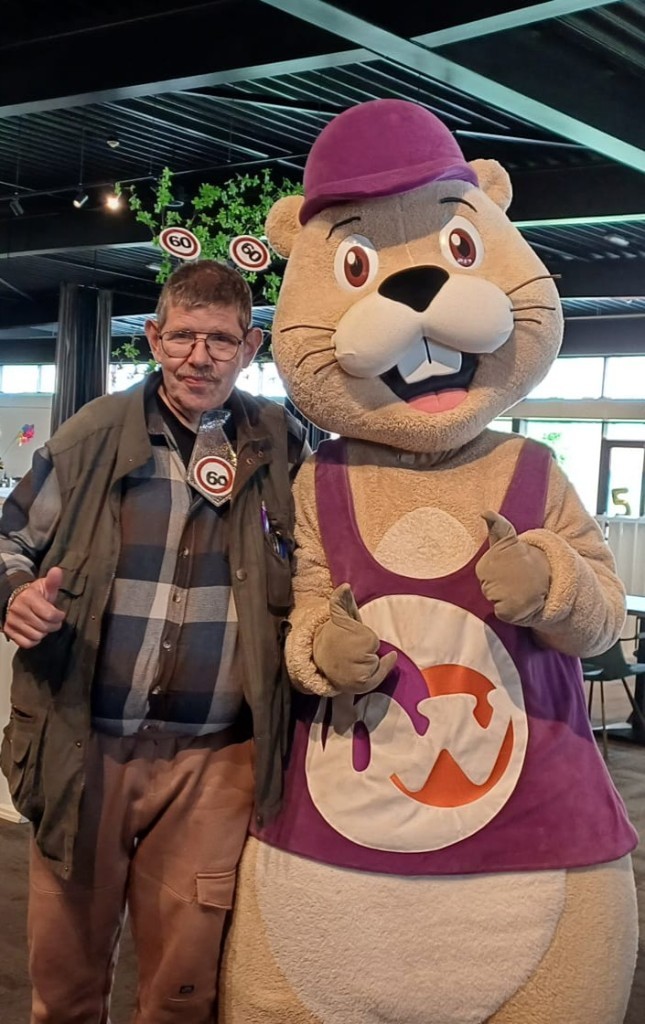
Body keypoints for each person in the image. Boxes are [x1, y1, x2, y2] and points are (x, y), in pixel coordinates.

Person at [0, 259, 308, 1024]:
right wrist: (15, 594)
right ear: (153, 339)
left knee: (183, 989)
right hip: (85, 746)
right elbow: (9, 541)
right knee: (65, 987)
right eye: (182, 338)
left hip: (215, 760)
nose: (199, 357)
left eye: (221, 340)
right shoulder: (91, 436)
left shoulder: (281, 444)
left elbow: (323, 562)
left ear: (251, 346)